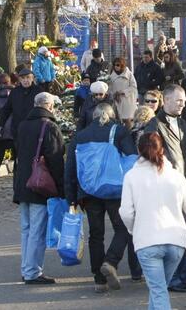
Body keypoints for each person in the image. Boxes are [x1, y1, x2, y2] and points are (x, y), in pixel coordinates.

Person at [119, 132, 186, 310]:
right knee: (159, 289)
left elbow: (126, 213)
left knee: (158, 290)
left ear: (138, 150)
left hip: (147, 242)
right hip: (176, 242)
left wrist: (135, 230)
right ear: (162, 149)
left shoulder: (131, 177)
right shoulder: (175, 176)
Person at [65, 103, 140, 293]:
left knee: (95, 234)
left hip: (89, 192)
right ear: (112, 115)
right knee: (123, 228)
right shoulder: (120, 131)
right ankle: (111, 261)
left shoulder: (80, 136)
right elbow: (132, 159)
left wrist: (71, 198)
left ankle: (99, 280)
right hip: (115, 190)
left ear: (93, 116)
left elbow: (70, 169)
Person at [143, 84, 186, 292]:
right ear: (165, 100)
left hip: (185, 182)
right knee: (174, 234)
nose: (182, 104)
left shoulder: (183, 123)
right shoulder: (154, 125)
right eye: (179, 100)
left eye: (184, 101)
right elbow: (149, 154)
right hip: (167, 186)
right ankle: (174, 278)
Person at [13, 92, 65, 285]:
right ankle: (32, 271)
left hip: (23, 182)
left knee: (26, 229)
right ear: (49, 106)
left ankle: (27, 268)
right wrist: (62, 189)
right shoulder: (49, 127)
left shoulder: (23, 125)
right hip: (40, 184)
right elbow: (56, 160)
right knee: (37, 229)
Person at [0, 68, 43, 139]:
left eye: (28, 77)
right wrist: (0, 125)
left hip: (34, 129)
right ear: (19, 80)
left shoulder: (39, 91)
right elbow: (6, 110)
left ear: (32, 78)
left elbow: (44, 109)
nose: (25, 80)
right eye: (23, 78)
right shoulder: (15, 92)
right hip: (18, 129)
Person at [108, 57, 138, 127]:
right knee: (117, 120)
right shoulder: (111, 76)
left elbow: (134, 87)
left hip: (127, 101)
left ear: (122, 65)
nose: (116, 67)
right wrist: (113, 94)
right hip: (116, 101)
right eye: (115, 65)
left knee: (128, 120)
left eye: (118, 65)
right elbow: (110, 88)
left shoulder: (129, 74)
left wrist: (123, 92)